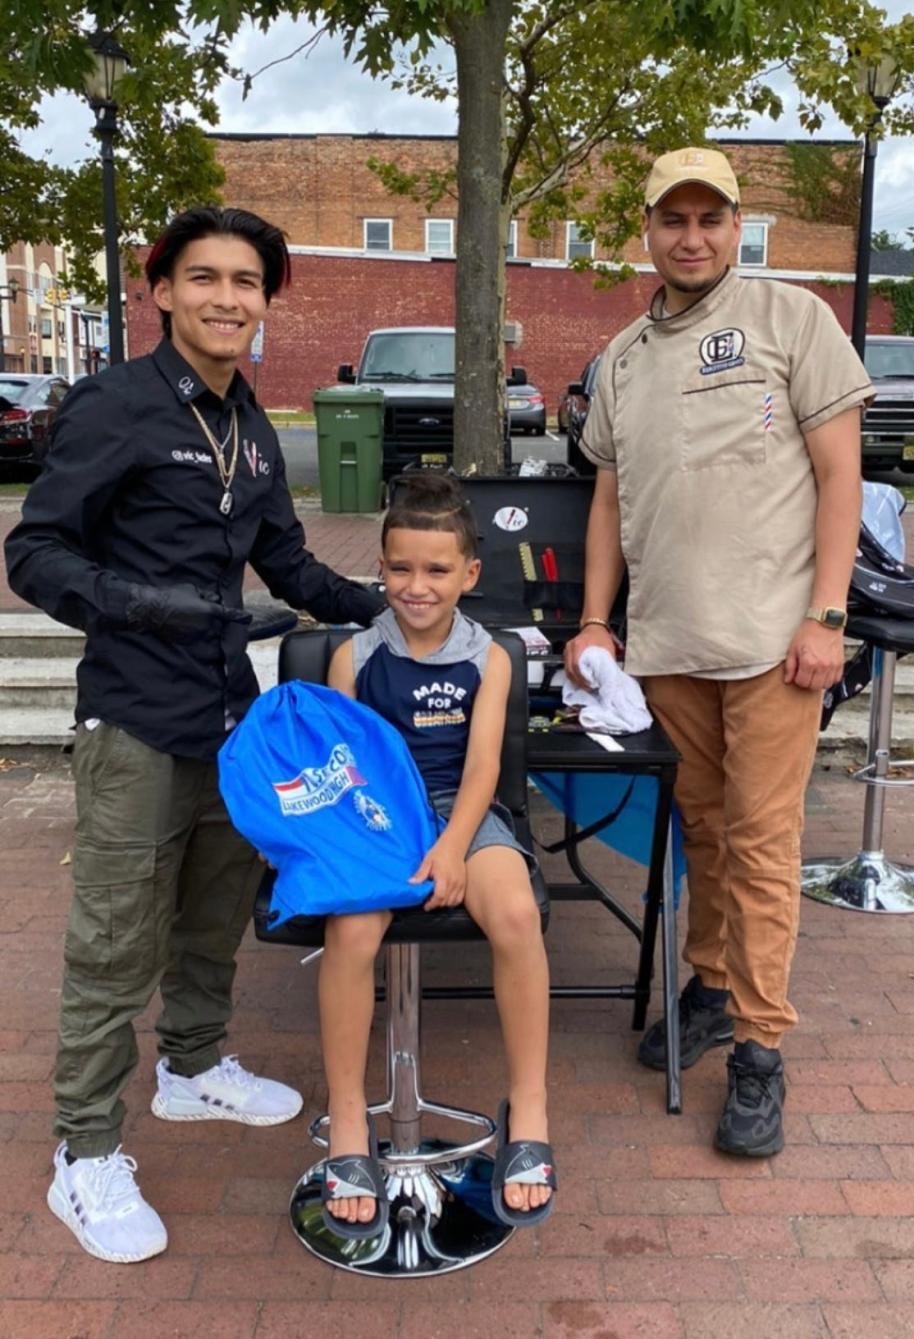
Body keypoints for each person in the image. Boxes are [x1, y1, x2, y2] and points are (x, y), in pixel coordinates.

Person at [5, 206, 383, 1263]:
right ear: (160, 289)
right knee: (115, 941)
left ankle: (192, 1065)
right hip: (132, 713)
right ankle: (83, 1152)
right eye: (204, 277)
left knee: (216, 910)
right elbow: (35, 553)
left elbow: (294, 568)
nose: (227, 298)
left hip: (230, 720)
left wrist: (396, 605)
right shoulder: (113, 404)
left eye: (248, 282)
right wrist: (149, 604)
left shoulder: (254, 423)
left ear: (268, 300)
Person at [564, 147, 872, 1157]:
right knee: (700, 829)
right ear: (646, 231)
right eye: (672, 219)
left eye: (710, 218)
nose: (691, 237)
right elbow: (610, 496)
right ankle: (710, 983)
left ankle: (759, 1050)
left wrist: (827, 617)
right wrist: (598, 620)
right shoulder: (622, 358)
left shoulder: (794, 321)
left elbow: (841, 478)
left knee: (762, 843)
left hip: (775, 648)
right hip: (667, 650)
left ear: (737, 225)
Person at [320, 473, 557, 1235]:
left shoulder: (490, 658)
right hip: (378, 817)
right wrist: (391, 847)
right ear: (380, 566)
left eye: (436, 570)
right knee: (352, 931)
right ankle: (351, 1120)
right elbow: (345, 769)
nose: (416, 586)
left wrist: (453, 848)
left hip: (465, 811)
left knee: (517, 912)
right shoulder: (354, 657)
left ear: (470, 575)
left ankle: (529, 1109)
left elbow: (485, 769)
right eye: (399, 568)